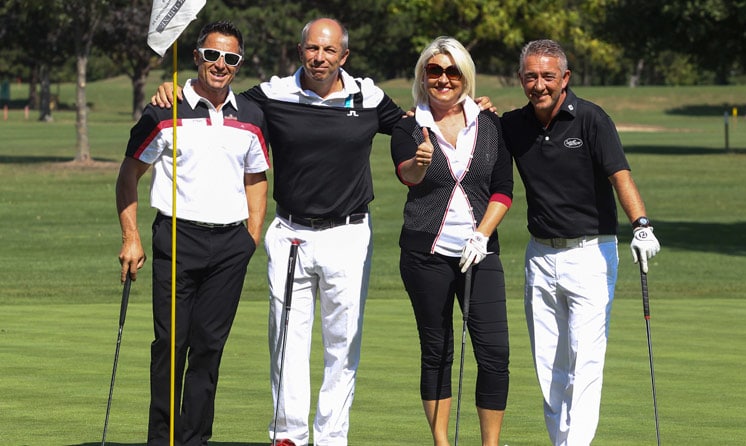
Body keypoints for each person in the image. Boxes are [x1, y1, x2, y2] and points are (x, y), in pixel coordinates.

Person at [150, 19, 495, 446]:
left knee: (341, 344)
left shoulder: (366, 96)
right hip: (291, 231)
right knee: (286, 342)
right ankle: (288, 436)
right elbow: (220, 96)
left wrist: (471, 106)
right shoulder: (273, 95)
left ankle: (331, 438)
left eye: (330, 51)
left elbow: (416, 120)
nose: (320, 58)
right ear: (301, 51)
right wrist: (177, 88)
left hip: (348, 235)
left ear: (343, 56)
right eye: (313, 49)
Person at [500, 39, 661, 446]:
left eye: (548, 76)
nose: (539, 85)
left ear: (565, 78)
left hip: (591, 255)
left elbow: (620, 176)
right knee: (548, 364)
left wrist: (641, 224)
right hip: (539, 256)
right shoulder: (513, 125)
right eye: (531, 76)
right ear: (521, 79)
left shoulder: (591, 119)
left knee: (585, 361)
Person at [116, 21, 269, 446]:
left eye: (231, 58)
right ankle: (161, 439)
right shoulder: (165, 109)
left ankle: (194, 440)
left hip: (229, 247)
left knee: (208, 348)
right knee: (170, 345)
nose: (221, 64)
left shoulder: (251, 115)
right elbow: (129, 174)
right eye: (213, 55)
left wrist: (251, 236)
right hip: (177, 240)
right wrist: (131, 236)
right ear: (198, 56)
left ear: (238, 64)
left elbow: (256, 177)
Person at [390, 37, 513, 446]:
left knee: (494, 354)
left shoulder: (490, 123)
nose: (443, 79)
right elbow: (406, 174)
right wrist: (418, 163)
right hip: (426, 253)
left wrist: (482, 234)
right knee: (437, 350)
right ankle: (442, 442)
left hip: (480, 251)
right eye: (434, 71)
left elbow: (503, 189)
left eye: (452, 71)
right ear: (423, 76)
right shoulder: (409, 125)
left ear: (465, 76)